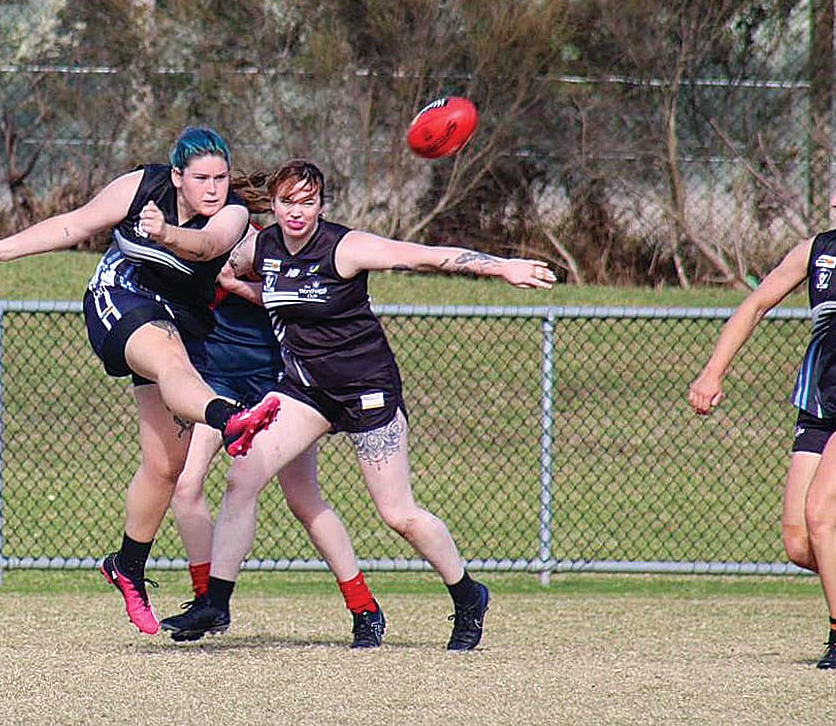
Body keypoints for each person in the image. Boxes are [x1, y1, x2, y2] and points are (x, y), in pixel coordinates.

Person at [159, 159, 557, 650]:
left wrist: (502, 267)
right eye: (287, 202)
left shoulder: (345, 248)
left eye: (307, 202)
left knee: (398, 514)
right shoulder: (262, 247)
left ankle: (468, 594)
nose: (297, 212)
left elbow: (427, 257)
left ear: (322, 205)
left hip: (366, 390)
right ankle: (216, 602)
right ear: (274, 206)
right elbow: (220, 264)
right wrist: (185, 255)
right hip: (306, 390)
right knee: (243, 477)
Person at [0, 126, 281, 636]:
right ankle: (229, 419)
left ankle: (127, 566)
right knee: (171, 363)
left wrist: (166, 233)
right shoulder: (141, 186)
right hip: (121, 295)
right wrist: (5, 248)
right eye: (201, 178)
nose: (213, 188)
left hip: (183, 319)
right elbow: (75, 223)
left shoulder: (234, 213)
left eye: (220, 178)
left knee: (167, 464)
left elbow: (206, 247)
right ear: (176, 177)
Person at [688, 155, 836, 670]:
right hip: (822, 403)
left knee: (823, 513)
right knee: (802, 543)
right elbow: (755, 304)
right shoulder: (818, 251)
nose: (834, 200)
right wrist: (713, 372)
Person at [168, 224, 387, 648]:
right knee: (186, 485)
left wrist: (235, 280)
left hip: (277, 384)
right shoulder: (196, 238)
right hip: (218, 384)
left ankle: (364, 607)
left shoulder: (266, 243)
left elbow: (296, 296)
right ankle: (208, 603)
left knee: (304, 501)